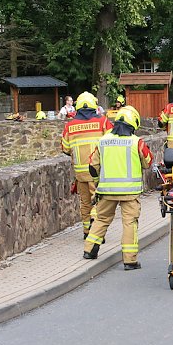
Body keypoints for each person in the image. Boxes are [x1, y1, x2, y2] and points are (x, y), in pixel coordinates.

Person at [83, 105, 153, 269]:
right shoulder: (137, 142)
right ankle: (130, 261)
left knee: (101, 219)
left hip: (106, 191)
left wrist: (97, 181)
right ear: (133, 123)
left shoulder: (103, 141)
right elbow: (148, 162)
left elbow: (93, 166)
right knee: (129, 223)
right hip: (130, 192)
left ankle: (89, 250)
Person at [61, 92, 114, 239]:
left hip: (80, 173)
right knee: (98, 202)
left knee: (85, 203)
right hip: (97, 171)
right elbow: (112, 142)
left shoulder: (70, 126)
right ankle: (97, 232)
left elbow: (65, 148)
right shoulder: (103, 122)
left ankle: (86, 233)